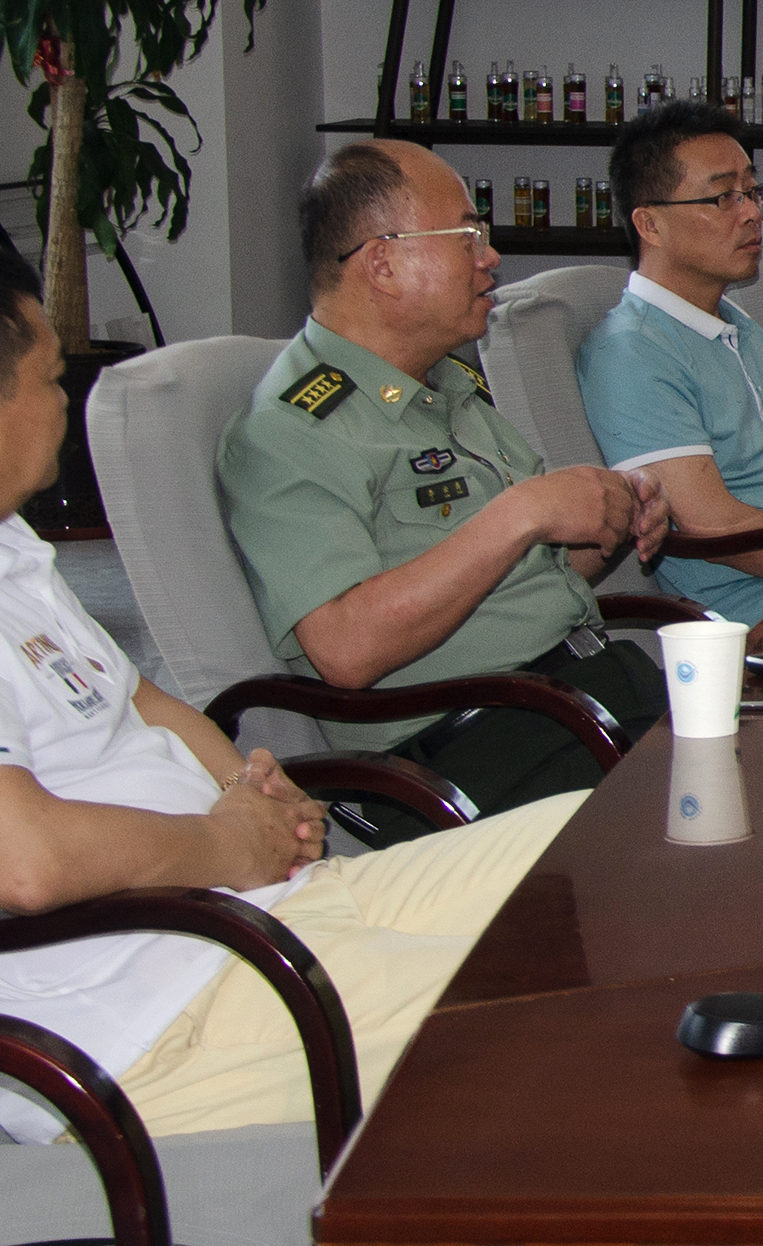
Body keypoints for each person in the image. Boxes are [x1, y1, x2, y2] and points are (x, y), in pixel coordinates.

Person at [0, 235, 583, 1145]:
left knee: (600, 861)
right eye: (48, 381)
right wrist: (223, 842)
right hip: (157, 1024)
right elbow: (22, 862)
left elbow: (137, 699)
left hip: (255, 912)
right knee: (574, 1009)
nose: (62, 402)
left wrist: (252, 794)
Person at [220, 141, 670, 837]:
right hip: (475, 752)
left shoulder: (446, 387)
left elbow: (528, 578)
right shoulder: (292, 430)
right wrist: (523, 512)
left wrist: (611, 518)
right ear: (382, 263)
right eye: (466, 236)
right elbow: (346, 647)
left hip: (586, 695)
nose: (490, 257)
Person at [579, 101, 763, 624]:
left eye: (752, 192)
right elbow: (712, 528)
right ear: (649, 223)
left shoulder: (739, 326)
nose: (751, 213)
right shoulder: (631, 352)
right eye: (722, 197)